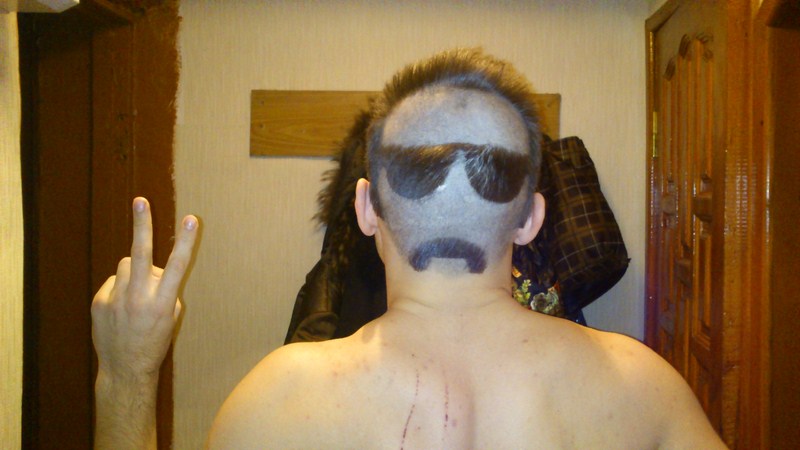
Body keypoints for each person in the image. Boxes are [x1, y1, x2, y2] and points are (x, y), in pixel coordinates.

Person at [92, 48, 726, 449]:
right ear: (532, 219)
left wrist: (127, 374)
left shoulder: (279, 401)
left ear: (366, 209)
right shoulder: (642, 387)